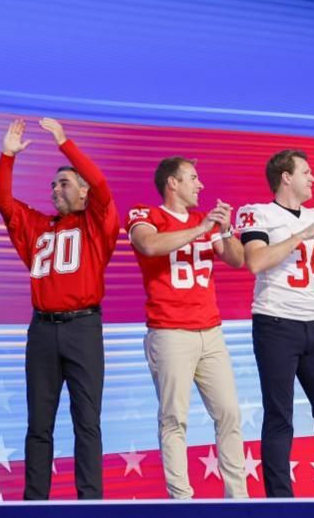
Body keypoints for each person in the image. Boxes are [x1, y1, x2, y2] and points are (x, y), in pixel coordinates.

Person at [0, 118, 119, 499]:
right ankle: (34, 502)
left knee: (87, 422)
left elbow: (100, 183)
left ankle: (90, 501)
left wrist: (65, 144)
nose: (55, 189)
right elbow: (2, 201)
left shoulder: (96, 223)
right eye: (52, 184)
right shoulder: (38, 225)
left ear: (82, 192)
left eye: (64, 183)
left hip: (83, 328)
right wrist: (7, 156)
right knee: (39, 424)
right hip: (43, 331)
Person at [236, 149, 314, 497]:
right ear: (286, 177)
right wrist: (299, 236)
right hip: (275, 323)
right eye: (306, 172)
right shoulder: (258, 213)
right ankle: (280, 501)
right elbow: (255, 262)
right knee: (280, 416)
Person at [127, 157, 248, 499]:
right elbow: (149, 245)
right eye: (193, 178)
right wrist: (201, 228)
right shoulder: (145, 214)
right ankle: (181, 500)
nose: (201, 185)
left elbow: (237, 260)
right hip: (169, 331)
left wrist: (223, 228)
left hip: (210, 330)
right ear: (172, 183)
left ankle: (238, 499)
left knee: (229, 412)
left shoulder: (204, 222)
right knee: (174, 418)